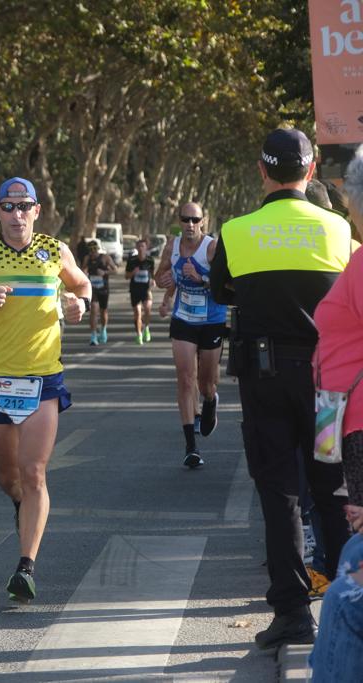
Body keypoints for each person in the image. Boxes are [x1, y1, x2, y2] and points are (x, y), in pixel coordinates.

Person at [210, 128, 354, 650]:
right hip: (325, 387)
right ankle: (348, 605)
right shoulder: (339, 232)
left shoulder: (236, 231)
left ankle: (293, 613)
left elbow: (220, 288)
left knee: (279, 493)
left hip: (266, 382)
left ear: (262, 170)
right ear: (311, 171)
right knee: (331, 490)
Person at [0, 177, 90, 601]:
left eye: (25, 206)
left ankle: (26, 565)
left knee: (35, 471)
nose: (17, 214)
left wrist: (80, 301)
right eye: (8, 207)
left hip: (43, 377)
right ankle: (22, 510)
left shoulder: (54, 250)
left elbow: (81, 284)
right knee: (9, 478)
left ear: (37, 211)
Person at [153, 202, 225, 469]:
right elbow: (160, 273)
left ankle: (210, 399)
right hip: (183, 319)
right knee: (185, 378)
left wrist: (201, 277)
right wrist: (163, 281)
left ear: (203, 221)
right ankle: (190, 446)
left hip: (212, 320)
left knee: (206, 382)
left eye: (195, 220)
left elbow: (225, 284)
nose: (190, 225)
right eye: (185, 219)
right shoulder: (172, 246)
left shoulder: (212, 247)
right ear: (179, 221)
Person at [81, 240, 115, 345]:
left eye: (94, 250)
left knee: (103, 311)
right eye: (90, 250)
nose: (92, 252)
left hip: (103, 288)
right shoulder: (87, 259)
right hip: (93, 289)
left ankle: (103, 330)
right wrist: (84, 272)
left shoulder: (105, 257)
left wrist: (105, 272)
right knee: (93, 310)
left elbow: (115, 270)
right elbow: (82, 270)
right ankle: (93, 335)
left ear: (97, 249)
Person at [125, 238, 154, 344]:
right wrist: (133, 272)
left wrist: (153, 280)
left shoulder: (150, 260)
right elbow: (126, 276)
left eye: (143, 246)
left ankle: (146, 328)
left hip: (146, 290)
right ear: (137, 248)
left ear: (146, 248)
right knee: (137, 313)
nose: (141, 249)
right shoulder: (132, 260)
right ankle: (139, 334)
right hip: (135, 290)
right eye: (139, 246)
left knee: (147, 309)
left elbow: (152, 273)